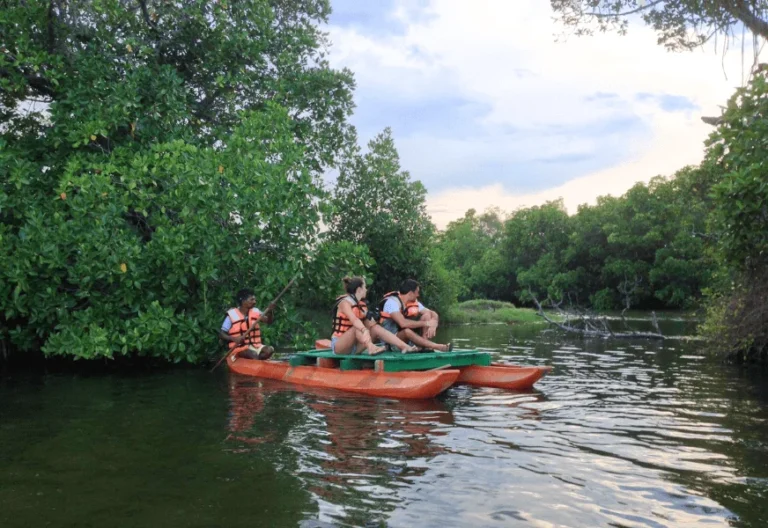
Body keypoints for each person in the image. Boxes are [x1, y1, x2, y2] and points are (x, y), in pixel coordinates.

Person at [331, 276, 418, 355]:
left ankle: (404, 346)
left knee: (375, 327)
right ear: (359, 290)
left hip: (356, 346)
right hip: (340, 347)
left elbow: (369, 323)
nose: (366, 290)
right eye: (364, 287)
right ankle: (371, 347)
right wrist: (364, 330)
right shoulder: (344, 303)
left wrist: (375, 320)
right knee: (356, 328)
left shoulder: (361, 305)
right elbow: (354, 320)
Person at [379, 279, 452, 352]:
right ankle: (438, 346)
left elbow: (432, 313)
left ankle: (425, 346)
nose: (418, 295)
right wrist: (427, 323)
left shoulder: (412, 303)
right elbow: (403, 323)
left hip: (406, 340)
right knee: (406, 331)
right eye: (417, 292)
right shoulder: (391, 303)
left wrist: (434, 323)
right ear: (410, 293)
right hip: (391, 342)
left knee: (427, 315)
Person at [219, 288, 276, 361]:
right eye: (252, 300)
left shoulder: (256, 311)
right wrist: (233, 339)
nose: (254, 302)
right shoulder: (231, 314)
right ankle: (255, 361)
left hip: (255, 345)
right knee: (253, 354)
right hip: (239, 348)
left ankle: (258, 363)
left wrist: (270, 311)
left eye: (255, 300)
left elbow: (269, 321)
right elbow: (221, 334)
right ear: (243, 301)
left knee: (269, 350)